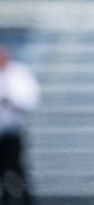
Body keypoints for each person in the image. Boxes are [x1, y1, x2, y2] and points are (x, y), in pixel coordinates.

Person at [0, 46, 40, 205]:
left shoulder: (18, 72)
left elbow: (28, 101)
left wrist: (7, 99)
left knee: (13, 173)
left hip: (10, 135)